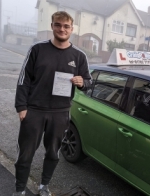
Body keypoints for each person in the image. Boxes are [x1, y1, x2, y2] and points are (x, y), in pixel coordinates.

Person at [13, 11, 92, 196]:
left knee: (53, 153)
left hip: (60, 113)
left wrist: (83, 82)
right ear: (52, 26)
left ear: (72, 29)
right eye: (58, 25)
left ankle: (44, 186)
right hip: (34, 111)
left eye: (66, 26)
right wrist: (21, 107)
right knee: (25, 155)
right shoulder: (37, 49)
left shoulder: (79, 56)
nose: (62, 29)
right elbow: (23, 79)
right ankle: (19, 190)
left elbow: (88, 83)